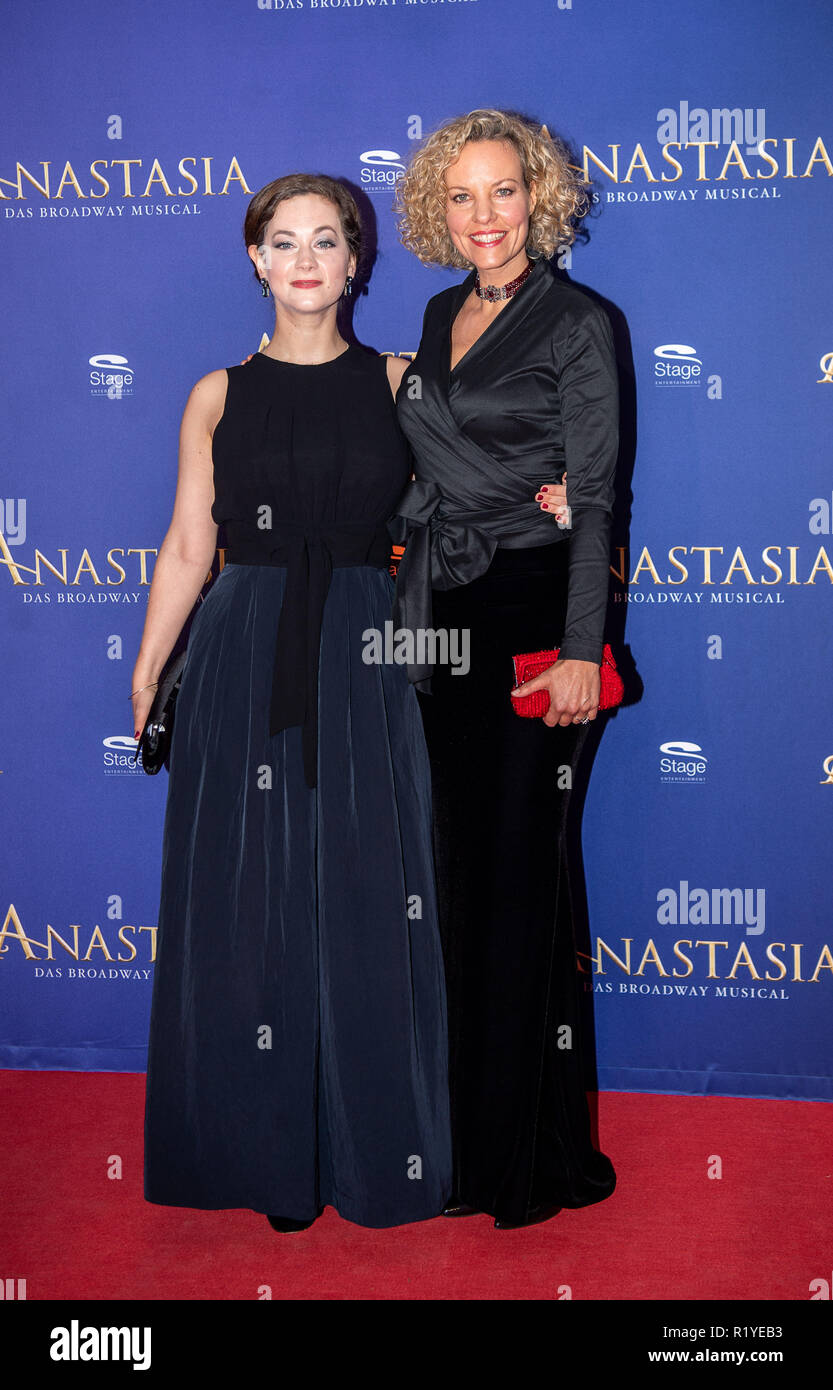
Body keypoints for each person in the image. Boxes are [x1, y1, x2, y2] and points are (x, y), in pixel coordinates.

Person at [133, 174, 454, 1231]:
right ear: (256, 262)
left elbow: (471, 512)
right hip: (243, 646)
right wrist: (148, 669)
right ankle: (264, 1153)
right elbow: (190, 542)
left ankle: (371, 1152)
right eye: (285, 240)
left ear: (358, 262)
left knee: (367, 890)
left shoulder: (404, 379)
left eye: (329, 239)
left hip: (367, 646)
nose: (307, 257)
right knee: (250, 900)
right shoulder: (215, 393)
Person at [391, 109, 619, 1228]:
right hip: (444, 613)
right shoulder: (439, 313)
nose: (485, 215)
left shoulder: (579, 321)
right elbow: (431, 467)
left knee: (524, 877)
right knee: (454, 875)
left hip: (536, 612)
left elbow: (595, 499)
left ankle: (528, 1159)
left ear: (540, 198)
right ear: (440, 206)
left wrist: (581, 649)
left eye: (504, 191)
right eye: (463, 195)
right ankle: (458, 1145)